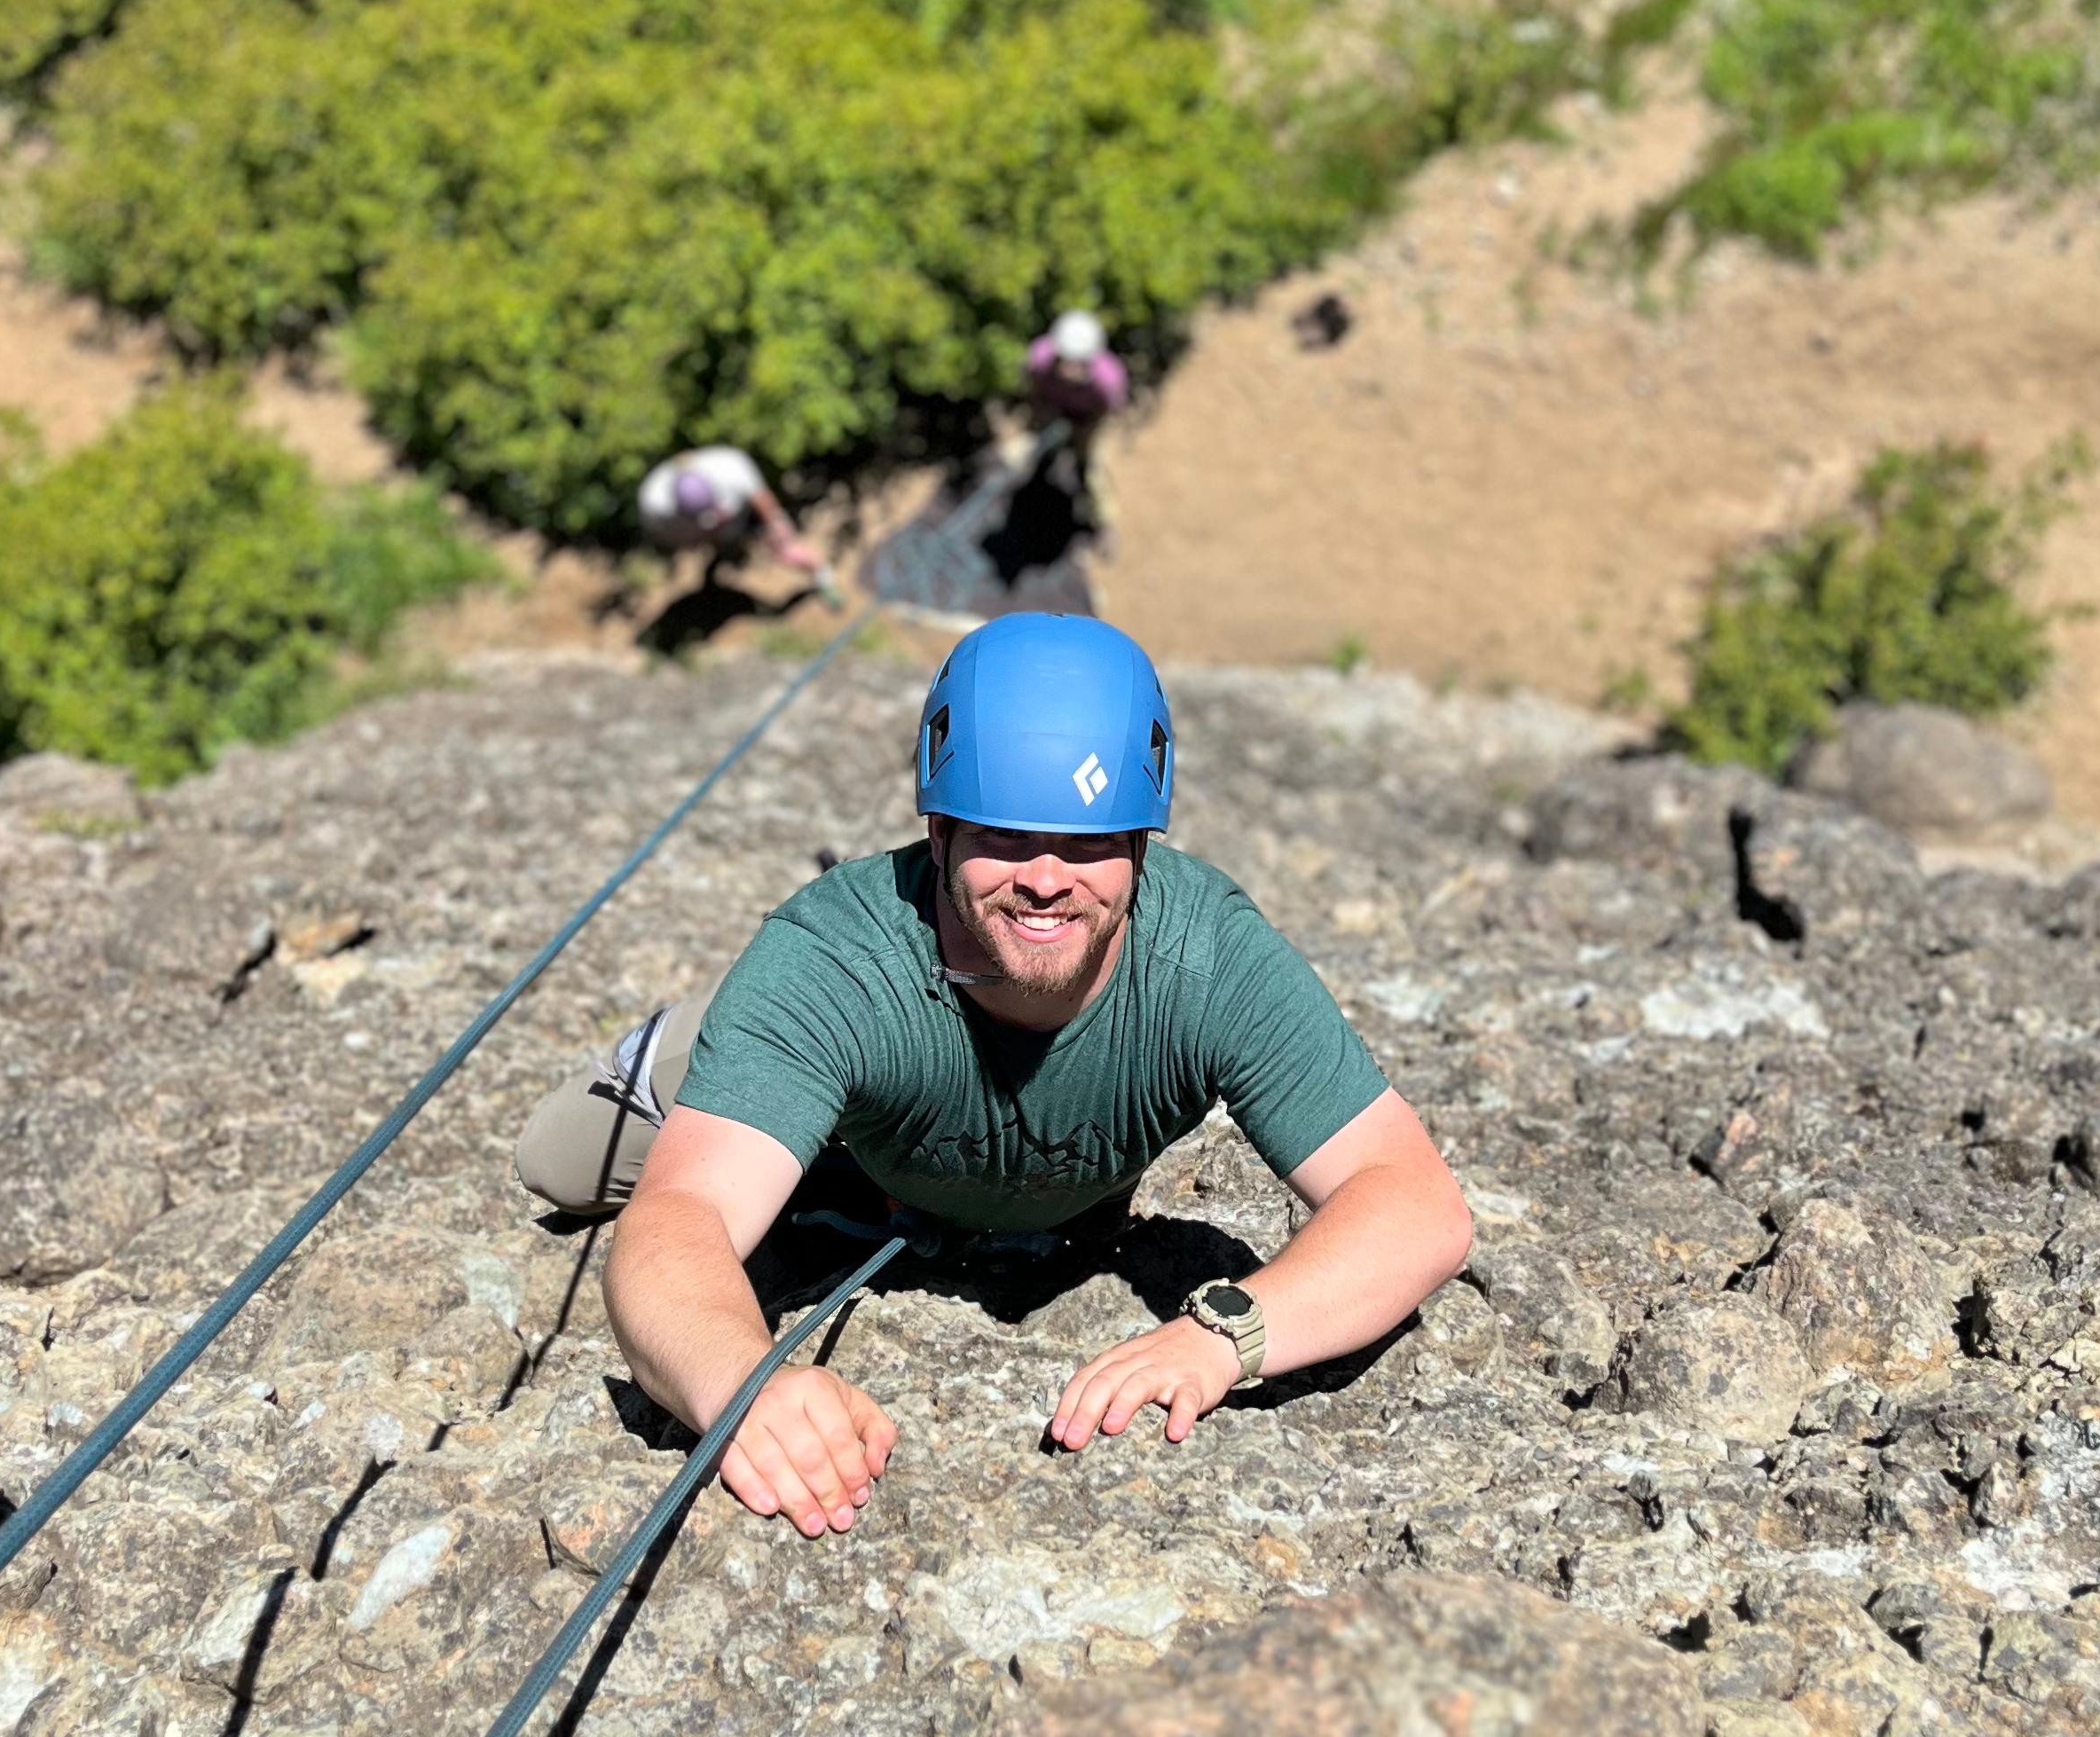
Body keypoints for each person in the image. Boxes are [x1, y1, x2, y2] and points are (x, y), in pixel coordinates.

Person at [514, 617, 1472, 1540]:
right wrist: (742, 1384)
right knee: (557, 1164)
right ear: (938, 830)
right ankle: (717, 1057)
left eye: (1090, 842)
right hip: (840, 1057)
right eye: (1005, 838)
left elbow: (1415, 1206)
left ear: (1144, 841)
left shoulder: (1209, 961)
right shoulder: (835, 965)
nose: (1048, 878)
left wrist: (1224, 1332)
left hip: (1015, 1186)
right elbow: (678, 1218)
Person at [635, 443, 829, 590]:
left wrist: (782, 536)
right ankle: (726, 562)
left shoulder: (734, 469)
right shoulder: (654, 502)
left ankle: (821, 572)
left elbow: (766, 504)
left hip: (742, 514)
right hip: (699, 529)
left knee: (786, 548)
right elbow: (668, 536)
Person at [1022, 308, 1129, 436]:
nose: (1069, 369)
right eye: (1065, 359)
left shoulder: (1109, 380)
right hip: (1051, 406)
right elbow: (1032, 387)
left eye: (1078, 363)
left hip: (1088, 416)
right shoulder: (1039, 358)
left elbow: (1111, 410)